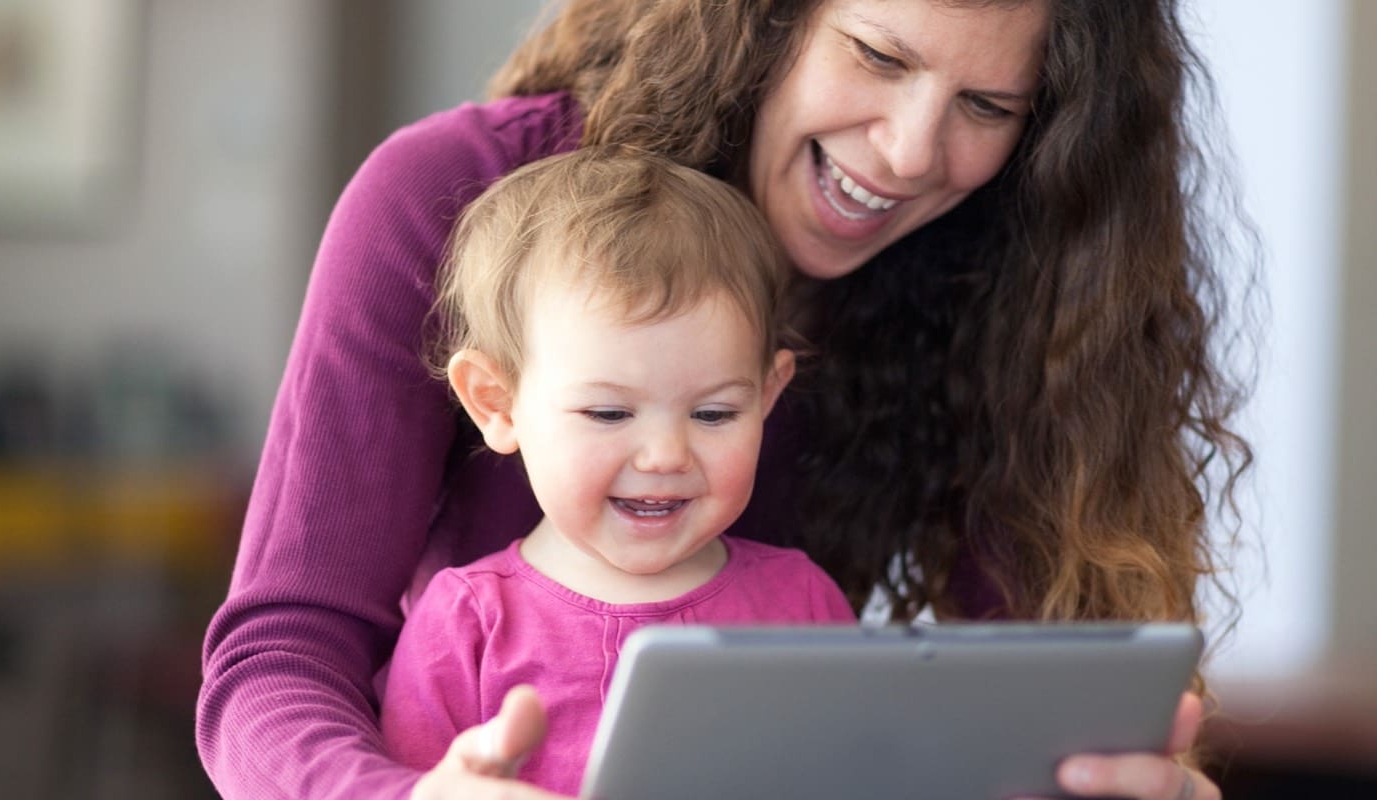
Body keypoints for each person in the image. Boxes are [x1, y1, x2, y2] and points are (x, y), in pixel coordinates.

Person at [198, 2, 1255, 799]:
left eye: (986, 106)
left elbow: (1026, 701)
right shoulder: (445, 196)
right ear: (764, 21)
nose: (908, 152)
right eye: (877, 56)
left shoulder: (993, 281)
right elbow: (277, 658)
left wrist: (1109, 774)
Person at [378, 148, 856, 796]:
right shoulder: (467, 625)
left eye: (714, 413)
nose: (665, 455)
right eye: (608, 412)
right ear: (496, 402)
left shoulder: (805, 607)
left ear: (767, 398)